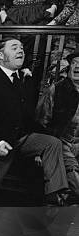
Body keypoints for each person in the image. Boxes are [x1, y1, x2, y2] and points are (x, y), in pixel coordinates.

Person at [0, 37, 68, 206]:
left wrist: (42, 144)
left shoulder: (24, 80)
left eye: (22, 48)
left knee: (52, 143)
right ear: (1, 55)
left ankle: (54, 197)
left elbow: (28, 117)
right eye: (14, 47)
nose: (21, 51)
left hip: (21, 139)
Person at [37, 51, 79, 203]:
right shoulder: (57, 89)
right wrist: (40, 151)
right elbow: (42, 120)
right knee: (74, 180)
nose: (78, 66)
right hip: (61, 143)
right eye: (74, 62)